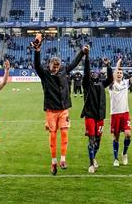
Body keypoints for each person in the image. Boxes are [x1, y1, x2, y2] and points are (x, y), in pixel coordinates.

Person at [30, 33, 87, 175]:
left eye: (57, 67)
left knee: (65, 132)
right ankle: (53, 161)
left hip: (63, 109)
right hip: (50, 110)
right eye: (53, 67)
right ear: (49, 65)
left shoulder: (63, 70)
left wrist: (82, 52)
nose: (55, 69)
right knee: (53, 135)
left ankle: (62, 159)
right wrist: (37, 51)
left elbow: (73, 64)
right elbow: (37, 65)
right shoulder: (44, 74)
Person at [79, 46, 110, 173]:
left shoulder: (103, 84)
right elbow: (86, 72)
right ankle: (91, 163)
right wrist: (87, 57)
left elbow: (111, 79)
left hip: (100, 115)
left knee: (98, 140)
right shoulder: (87, 84)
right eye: (92, 73)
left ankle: (94, 157)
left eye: (96, 73)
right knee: (91, 139)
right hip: (90, 115)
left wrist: (108, 66)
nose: (94, 74)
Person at [108, 57, 132, 166]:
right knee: (116, 137)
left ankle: (124, 153)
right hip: (115, 114)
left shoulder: (126, 83)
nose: (119, 74)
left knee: (128, 134)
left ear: (123, 75)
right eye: (117, 72)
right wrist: (117, 64)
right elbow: (112, 76)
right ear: (115, 74)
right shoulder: (111, 84)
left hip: (125, 113)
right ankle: (116, 159)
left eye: (121, 72)